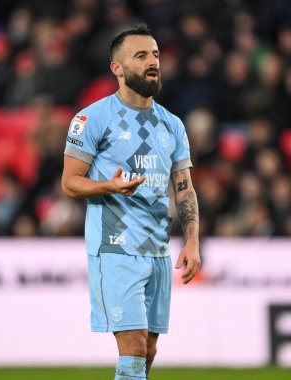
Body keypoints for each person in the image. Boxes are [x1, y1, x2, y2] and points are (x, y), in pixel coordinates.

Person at [61, 24, 200, 380]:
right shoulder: (93, 118)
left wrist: (193, 240)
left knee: (149, 349)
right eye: (141, 56)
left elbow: (184, 188)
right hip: (115, 248)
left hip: (157, 249)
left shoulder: (172, 125)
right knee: (135, 346)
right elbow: (70, 182)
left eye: (155, 55)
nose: (153, 62)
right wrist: (108, 186)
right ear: (117, 68)